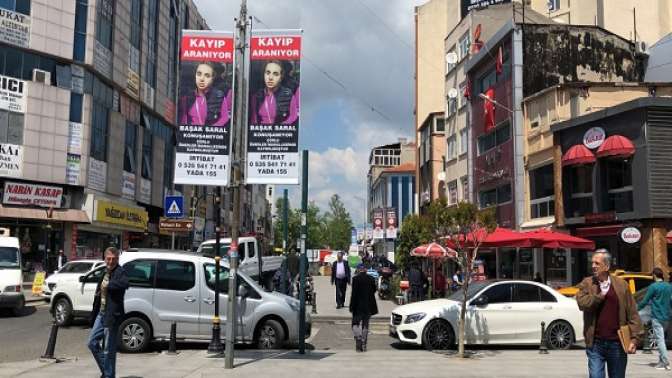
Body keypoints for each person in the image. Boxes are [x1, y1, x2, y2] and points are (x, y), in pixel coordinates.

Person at [576, 249, 642, 378]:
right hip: (595, 343)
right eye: (592, 263)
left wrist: (635, 338)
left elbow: (632, 312)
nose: (593, 266)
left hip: (617, 343)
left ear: (606, 266)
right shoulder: (587, 283)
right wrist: (600, 296)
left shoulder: (621, 285)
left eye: (597, 263)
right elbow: (582, 303)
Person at [88, 247, 129, 378]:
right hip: (101, 314)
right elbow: (98, 296)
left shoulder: (120, 272)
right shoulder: (104, 272)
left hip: (112, 316)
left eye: (113, 259)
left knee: (108, 350)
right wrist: (93, 315)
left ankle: (108, 375)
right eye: (108, 259)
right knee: (92, 343)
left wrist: (109, 285)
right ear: (104, 259)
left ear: (117, 259)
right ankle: (107, 372)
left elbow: (125, 284)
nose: (111, 261)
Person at [637, 267, 672, 370]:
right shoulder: (669, 286)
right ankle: (661, 361)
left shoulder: (653, 287)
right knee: (662, 340)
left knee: (660, 340)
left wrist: (636, 310)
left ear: (654, 275)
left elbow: (644, 301)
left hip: (657, 316)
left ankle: (665, 362)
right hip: (667, 317)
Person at [179, 61, 232, 126]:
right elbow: (183, 120)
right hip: (191, 134)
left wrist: (210, 130)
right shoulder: (187, 98)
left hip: (211, 135)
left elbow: (225, 118)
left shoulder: (219, 96)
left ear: (212, 78)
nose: (202, 79)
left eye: (207, 75)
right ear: (195, 76)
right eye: (199, 74)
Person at [250, 60, 300, 125]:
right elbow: (254, 119)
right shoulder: (256, 96)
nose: (270, 78)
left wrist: (280, 128)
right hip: (260, 133)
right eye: (268, 73)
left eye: (275, 74)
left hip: (280, 133)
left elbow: (293, 116)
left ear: (281, 77)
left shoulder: (289, 96)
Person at [350, 263, 378, 352]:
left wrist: (351, 306)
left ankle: (358, 337)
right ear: (366, 270)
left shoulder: (355, 279)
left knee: (355, 324)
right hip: (368, 305)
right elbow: (374, 290)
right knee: (365, 325)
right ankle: (364, 344)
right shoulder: (371, 279)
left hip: (358, 306)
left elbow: (353, 294)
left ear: (358, 270)